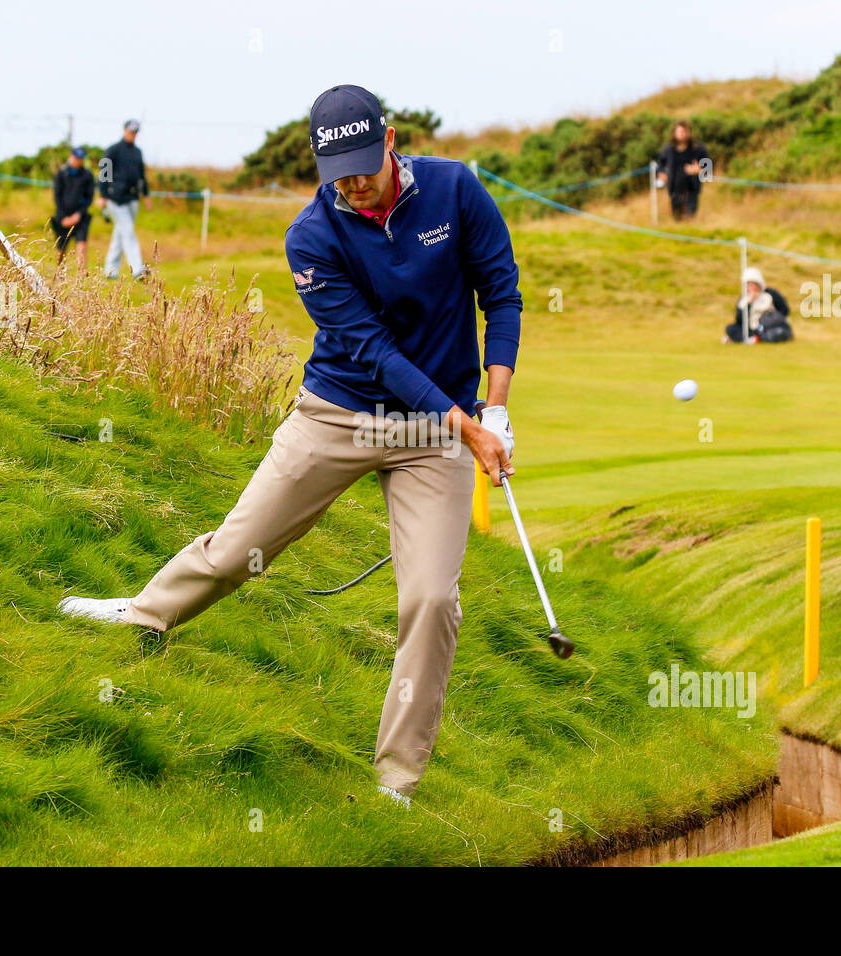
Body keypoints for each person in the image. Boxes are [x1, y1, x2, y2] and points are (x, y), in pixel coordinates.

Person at [58, 85, 522, 809]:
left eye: (367, 164)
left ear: (392, 139)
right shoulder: (311, 235)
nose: (356, 183)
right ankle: (142, 615)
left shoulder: (456, 191)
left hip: (436, 438)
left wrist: (494, 411)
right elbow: (371, 351)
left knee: (432, 600)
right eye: (341, 170)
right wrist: (466, 424)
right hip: (339, 412)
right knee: (242, 545)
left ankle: (396, 781)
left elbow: (502, 292)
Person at [98, 119, 149, 279]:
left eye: (135, 132)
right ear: (125, 130)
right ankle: (137, 270)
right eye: (130, 131)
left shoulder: (137, 152)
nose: (132, 135)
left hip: (132, 199)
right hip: (116, 199)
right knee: (128, 232)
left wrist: (146, 195)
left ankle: (110, 271)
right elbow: (104, 172)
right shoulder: (113, 150)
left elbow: (142, 175)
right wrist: (103, 195)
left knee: (120, 234)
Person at [654, 120, 710, 221]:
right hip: (674, 189)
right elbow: (660, 164)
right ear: (675, 133)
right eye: (680, 132)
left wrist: (699, 169)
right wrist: (662, 174)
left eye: (684, 131)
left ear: (689, 133)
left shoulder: (698, 149)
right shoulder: (668, 149)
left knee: (690, 217)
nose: (682, 134)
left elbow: (708, 168)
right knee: (677, 218)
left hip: (692, 189)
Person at [50, 146, 95, 268]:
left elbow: (89, 198)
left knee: (82, 245)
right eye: (76, 158)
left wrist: (78, 214)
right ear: (71, 156)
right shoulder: (61, 174)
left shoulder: (87, 176)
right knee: (61, 248)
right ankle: (59, 274)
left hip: (80, 217)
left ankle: (80, 278)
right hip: (63, 217)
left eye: (80, 159)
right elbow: (57, 197)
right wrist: (63, 217)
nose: (78, 161)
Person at [726, 267, 792, 343]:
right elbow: (739, 319)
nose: (751, 287)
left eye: (753, 284)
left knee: (777, 331)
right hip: (751, 328)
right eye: (749, 285)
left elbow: (784, 311)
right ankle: (750, 338)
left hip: (766, 325)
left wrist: (771, 315)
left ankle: (751, 339)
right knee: (731, 329)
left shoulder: (770, 294)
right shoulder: (744, 299)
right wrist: (749, 303)